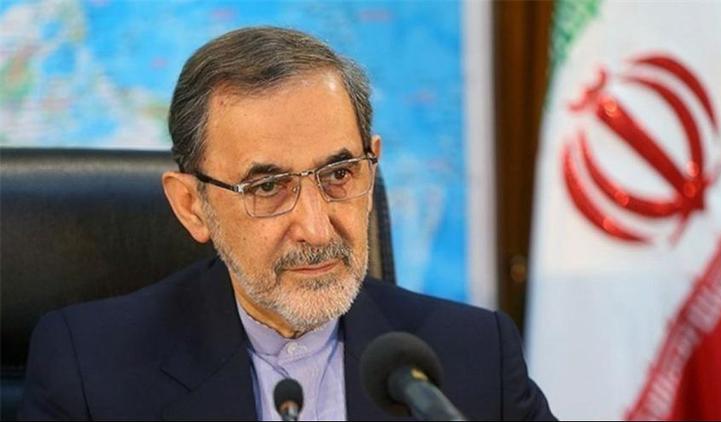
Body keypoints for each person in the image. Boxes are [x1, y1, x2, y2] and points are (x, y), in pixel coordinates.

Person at [19, 27, 554, 421]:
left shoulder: (475, 358)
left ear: (371, 166)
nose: (316, 229)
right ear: (191, 206)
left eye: (339, 174)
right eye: (268, 187)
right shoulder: (90, 369)